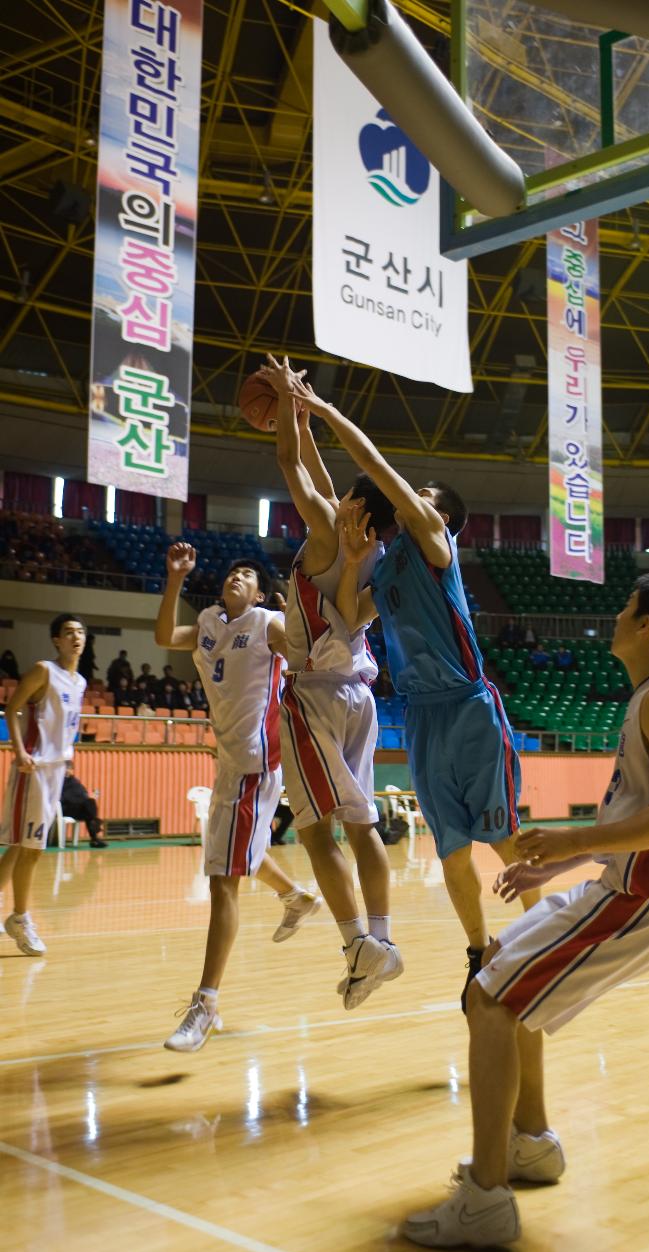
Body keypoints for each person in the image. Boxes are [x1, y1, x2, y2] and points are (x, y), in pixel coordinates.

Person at [402, 573, 649, 1248]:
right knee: (500, 976)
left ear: (646, 627)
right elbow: (638, 817)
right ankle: (530, 1143)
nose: (615, 614)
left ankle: (485, 1200)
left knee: (490, 999)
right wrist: (563, 863)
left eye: (625, 608)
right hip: (624, 887)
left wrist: (575, 840)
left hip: (646, 901)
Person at [276, 362, 535, 1004]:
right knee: (451, 851)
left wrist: (321, 412)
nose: (414, 500)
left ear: (444, 516)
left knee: (501, 835)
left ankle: (546, 934)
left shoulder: (437, 545)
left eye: (426, 497)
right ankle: (479, 951)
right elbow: (349, 619)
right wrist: (356, 560)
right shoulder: (387, 565)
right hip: (419, 713)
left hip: (469, 705)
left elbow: (375, 468)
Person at [259, 355, 402, 1010]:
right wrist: (300, 403)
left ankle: (356, 946)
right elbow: (312, 469)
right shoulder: (376, 555)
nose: (336, 493)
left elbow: (292, 466)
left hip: (314, 700)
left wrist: (288, 407)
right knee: (361, 826)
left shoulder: (326, 535)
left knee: (315, 831)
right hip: (358, 697)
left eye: (348, 495)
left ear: (358, 514)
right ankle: (381, 939)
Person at [155, 545, 322, 1052]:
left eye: (248, 573)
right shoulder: (207, 623)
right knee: (233, 856)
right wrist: (174, 579)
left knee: (222, 882)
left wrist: (294, 606)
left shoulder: (268, 623)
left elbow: (303, 648)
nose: (238, 576)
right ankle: (296, 896)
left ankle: (205, 1004)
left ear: (258, 592)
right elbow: (165, 636)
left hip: (255, 762)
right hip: (230, 762)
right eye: (232, 571)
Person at [0, 614, 87, 955]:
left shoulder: (78, 681)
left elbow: (65, 725)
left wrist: (68, 754)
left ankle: (16, 916)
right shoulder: (43, 670)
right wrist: (20, 752)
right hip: (33, 768)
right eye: (68, 633)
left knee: (22, 846)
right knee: (31, 848)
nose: (75, 637)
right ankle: (20, 918)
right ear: (56, 640)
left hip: (55, 769)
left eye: (80, 632)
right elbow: (12, 709)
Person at [61, 766, 108, 848]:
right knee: (89, 810)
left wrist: (90, 797)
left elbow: (83, 794)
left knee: (90, 804)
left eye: (70, 768)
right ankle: (95, 836)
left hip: (78, 808)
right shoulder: (60, 781)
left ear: (72, 770)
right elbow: (64, 797)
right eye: (66, 768)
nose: (67, 770)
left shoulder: (75, 781)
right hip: (66, 808)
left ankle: (94, 837)